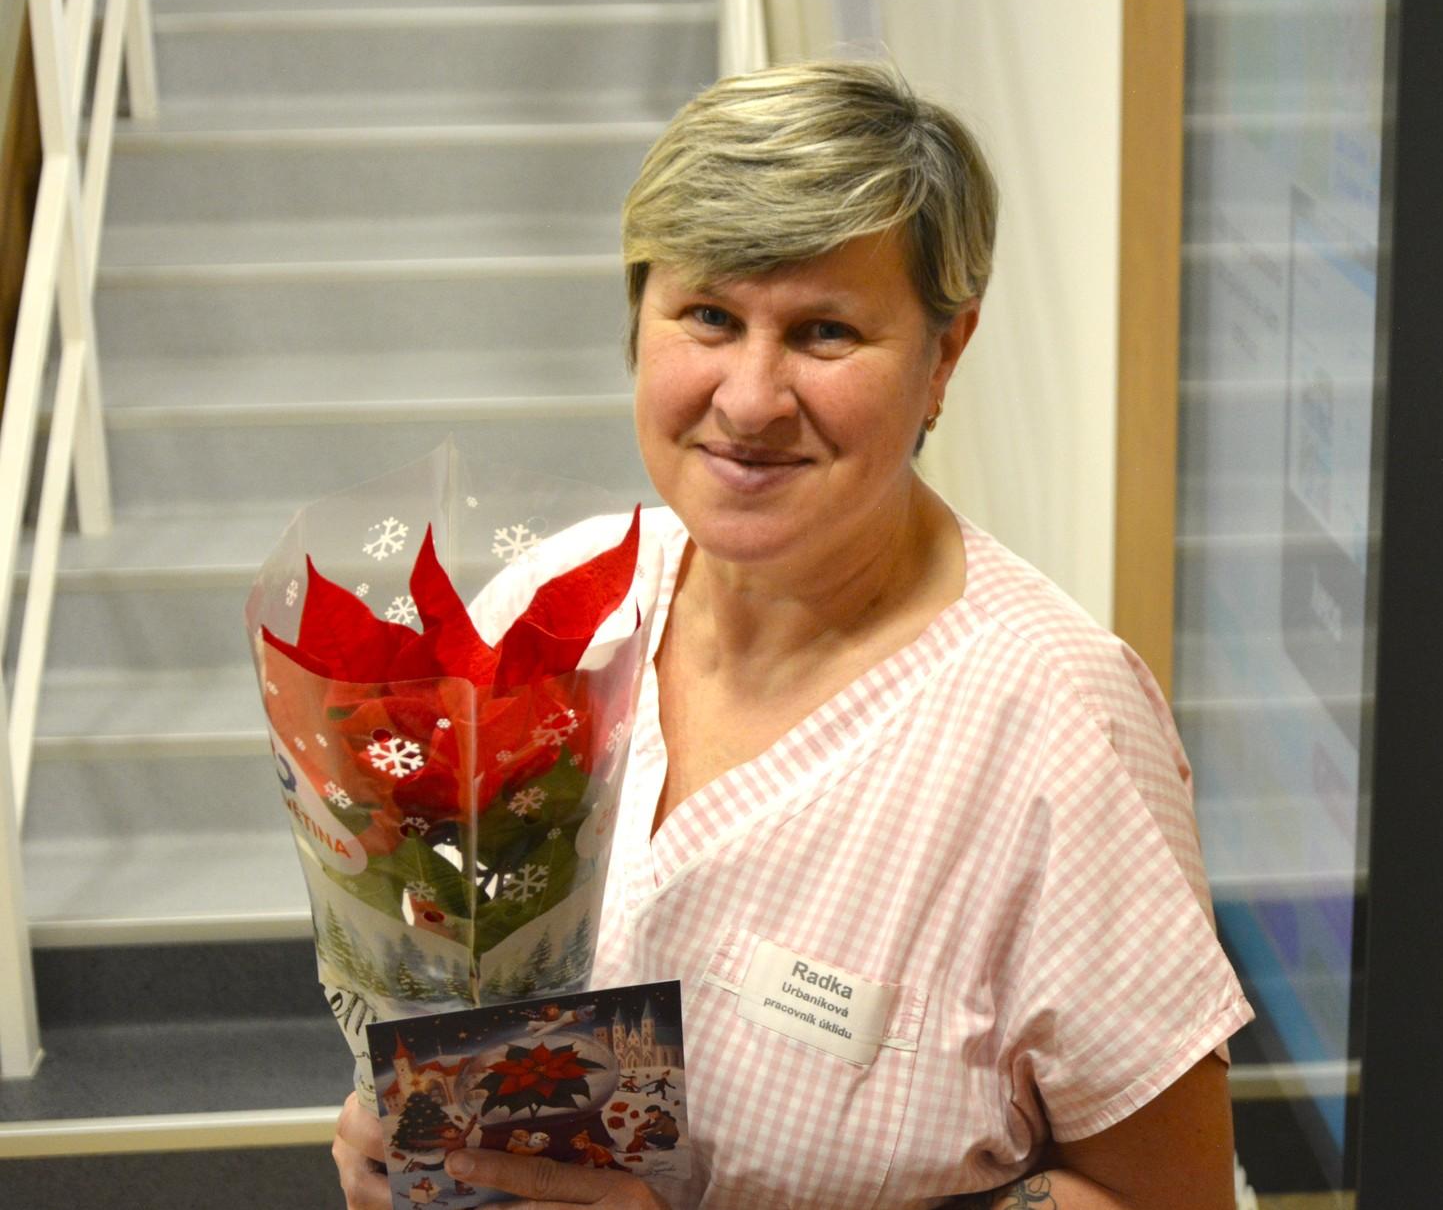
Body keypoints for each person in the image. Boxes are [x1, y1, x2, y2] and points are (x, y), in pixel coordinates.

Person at [334, 61, 1252, 1210]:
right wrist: (411, 1133)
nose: (751, 398)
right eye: (709, 316)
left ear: (944, 355)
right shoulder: (556, 607)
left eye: (824, 331)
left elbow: (1168, 1201)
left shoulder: (1056, 720)